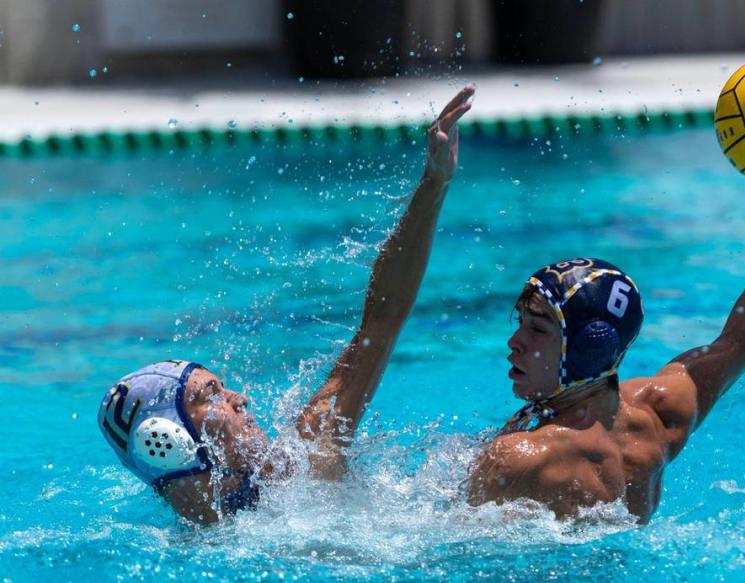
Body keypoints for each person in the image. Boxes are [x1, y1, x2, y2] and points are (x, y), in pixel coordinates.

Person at [97, 86, 475, 524]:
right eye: (210, 395)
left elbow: (381, 321)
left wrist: (434, 184)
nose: (242, 399)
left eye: (222, 386)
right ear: (165, 440)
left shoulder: (304, 466)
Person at [466, 119, 745, 523]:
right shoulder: (655, 417)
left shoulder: (518, 460)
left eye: (537, 328)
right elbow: (744, 341)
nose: (514, 342)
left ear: (587, 348)